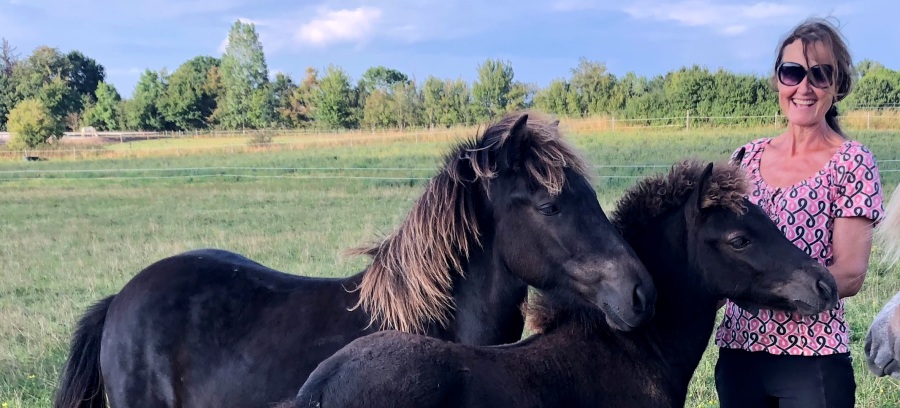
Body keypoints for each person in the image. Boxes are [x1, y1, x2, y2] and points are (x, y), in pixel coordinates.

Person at [713, 18, 885, 408]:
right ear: (778, 80)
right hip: (740, 355)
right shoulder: (744, 158)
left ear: (837, 86)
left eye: (820, 75)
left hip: (812, 360)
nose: (804, 87)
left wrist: (761, 289)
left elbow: (851, 274)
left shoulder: (852, 162)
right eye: (792, 72)